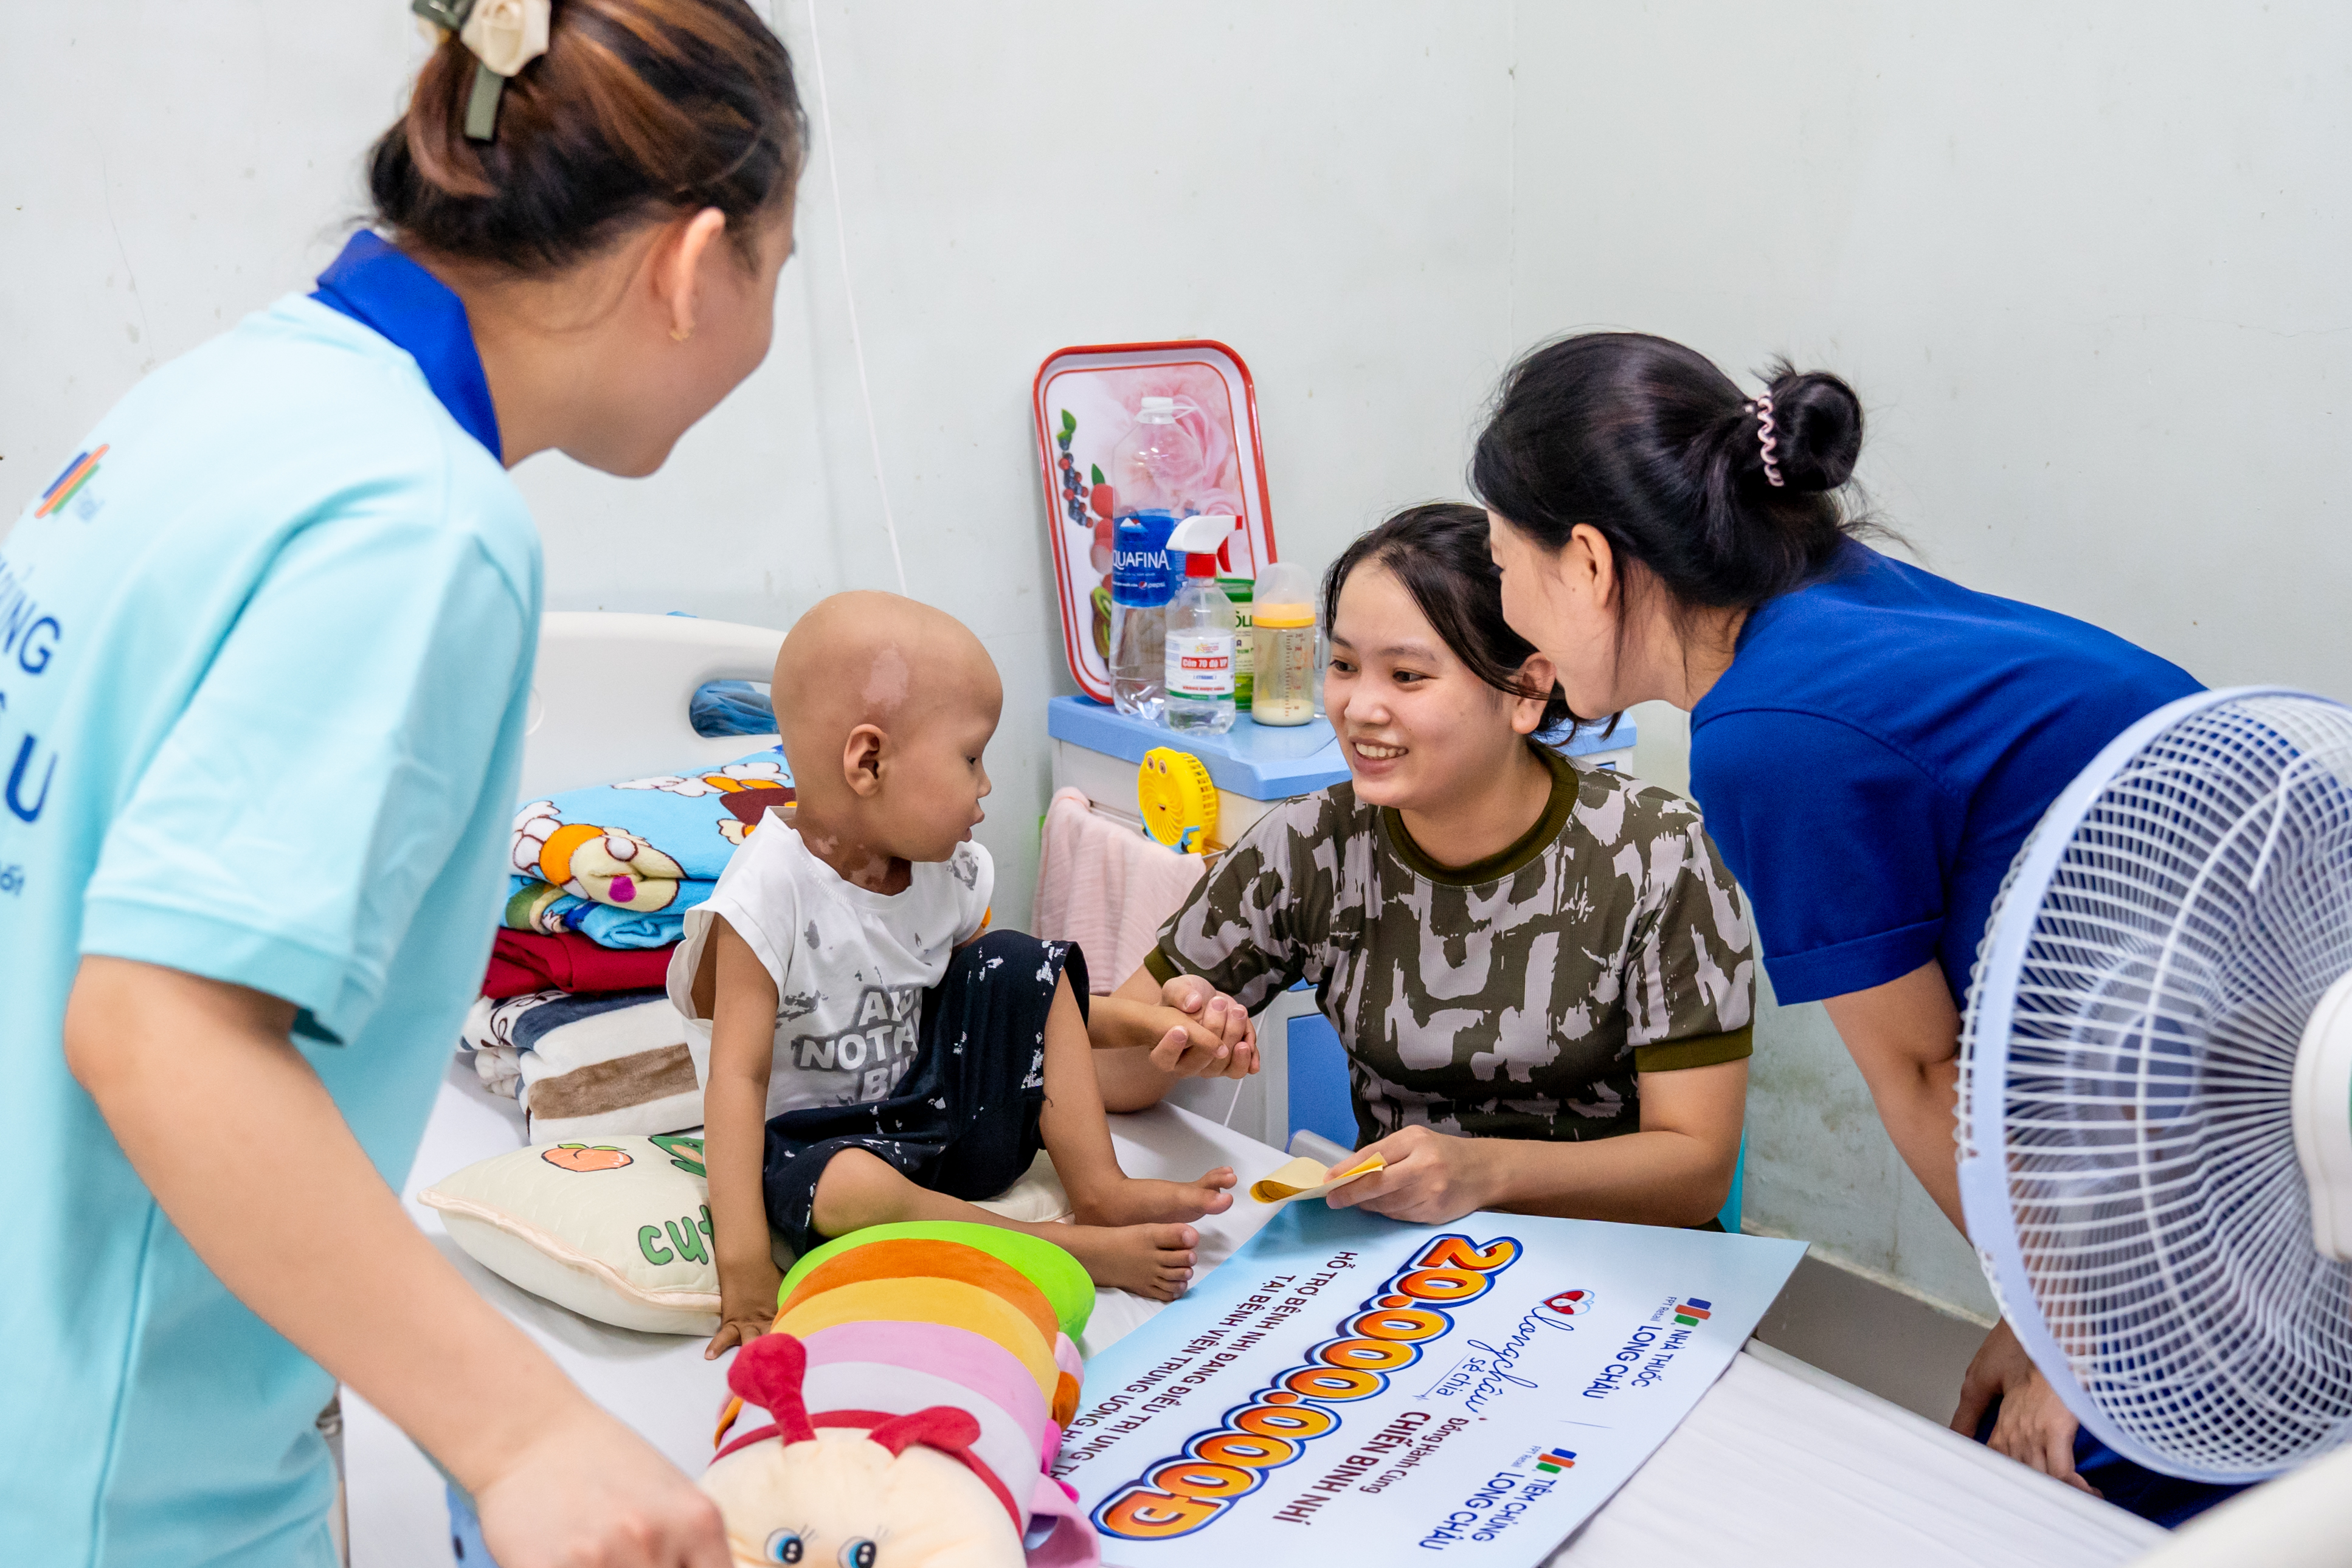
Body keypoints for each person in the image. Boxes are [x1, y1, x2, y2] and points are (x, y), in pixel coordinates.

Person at [0, 4, 808, 1563]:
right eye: (776, 270)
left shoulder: (207, 403)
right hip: (121, 1476)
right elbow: (157, 1024)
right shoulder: (420, 526)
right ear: (693, 265)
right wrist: (522, 1429)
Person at [1472, 331, 2240, 1525]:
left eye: (1499, 554)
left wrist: (2074, 1345)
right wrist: (2031, 1312)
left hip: (2217, 1160)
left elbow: (1929, 1070)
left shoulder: (1767, 731)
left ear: (1584, 560)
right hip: (2206, 1086)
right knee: (2006, 1429)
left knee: (2074, 1483)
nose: (1502, 604)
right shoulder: (1829, 603)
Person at [1095, 503, 1755, 1229]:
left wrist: (1481, 1171)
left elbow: (1696, 1169)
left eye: (1407, 675)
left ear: (1526, 691)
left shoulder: (1656, 851)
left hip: (1625, 1262)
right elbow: (1101, 1076)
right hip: (1407, 1260)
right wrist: (1172, 1043)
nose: (1359, 707)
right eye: (1343, 665)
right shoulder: (1309, 843)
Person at [676, 593, 1243, 1356]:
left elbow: (1006, 1010)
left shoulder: (944, 874)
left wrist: (1148, 1022)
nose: (983, 789)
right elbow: (736, 1081)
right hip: (820, 1155)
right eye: (971, 757)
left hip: (935, 1119)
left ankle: (1099, 1190)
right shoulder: (767, 894)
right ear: (868, 760)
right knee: (853, 1189)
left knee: (1012, 954)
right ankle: (1059, 1246)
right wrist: (745, 1271)